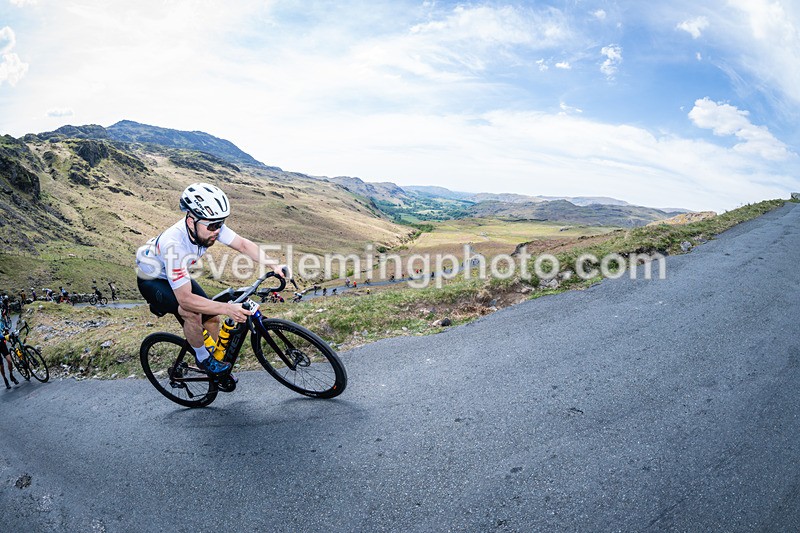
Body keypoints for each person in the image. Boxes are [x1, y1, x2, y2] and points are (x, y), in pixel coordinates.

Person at [136, 183, 285, 375]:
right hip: (152, 279)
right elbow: (186, 299)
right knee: (191, 312)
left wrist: (274, 265)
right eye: (213, 225)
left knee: (212, 319)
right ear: (191, 221)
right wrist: (228, 308)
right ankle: (203, 360)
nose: (217, 230)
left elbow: (242, 244)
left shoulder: (207, 224)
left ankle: (214, 357)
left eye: (221, 224)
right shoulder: (174, 245)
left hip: (171, 272)